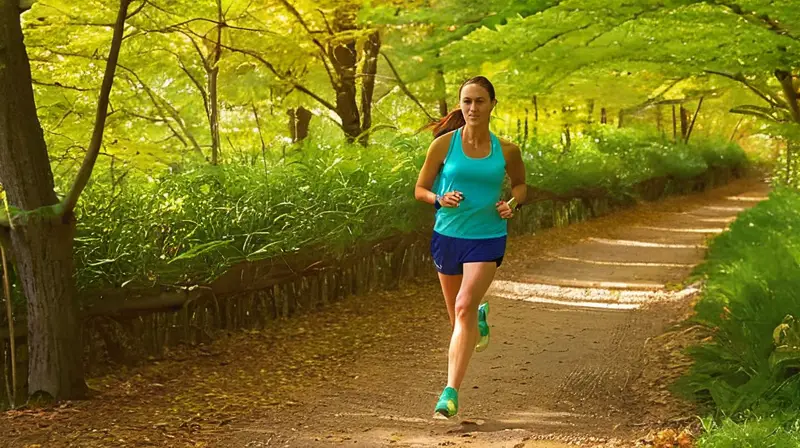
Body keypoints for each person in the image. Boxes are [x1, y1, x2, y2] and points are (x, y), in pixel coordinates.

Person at [414, 76, 527, 419]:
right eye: (467, 101)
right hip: (447, 237)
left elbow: (521, 186)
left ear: (492, 104)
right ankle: (479, 319)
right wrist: (439, 199)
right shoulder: (443, 146)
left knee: (462, 306)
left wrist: (511, 204)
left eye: (479, 101)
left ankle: (450, 393)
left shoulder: (506, 150)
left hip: (487, 237)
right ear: (460, 105)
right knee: (459, 320)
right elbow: (420, 189)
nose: (473, 107)